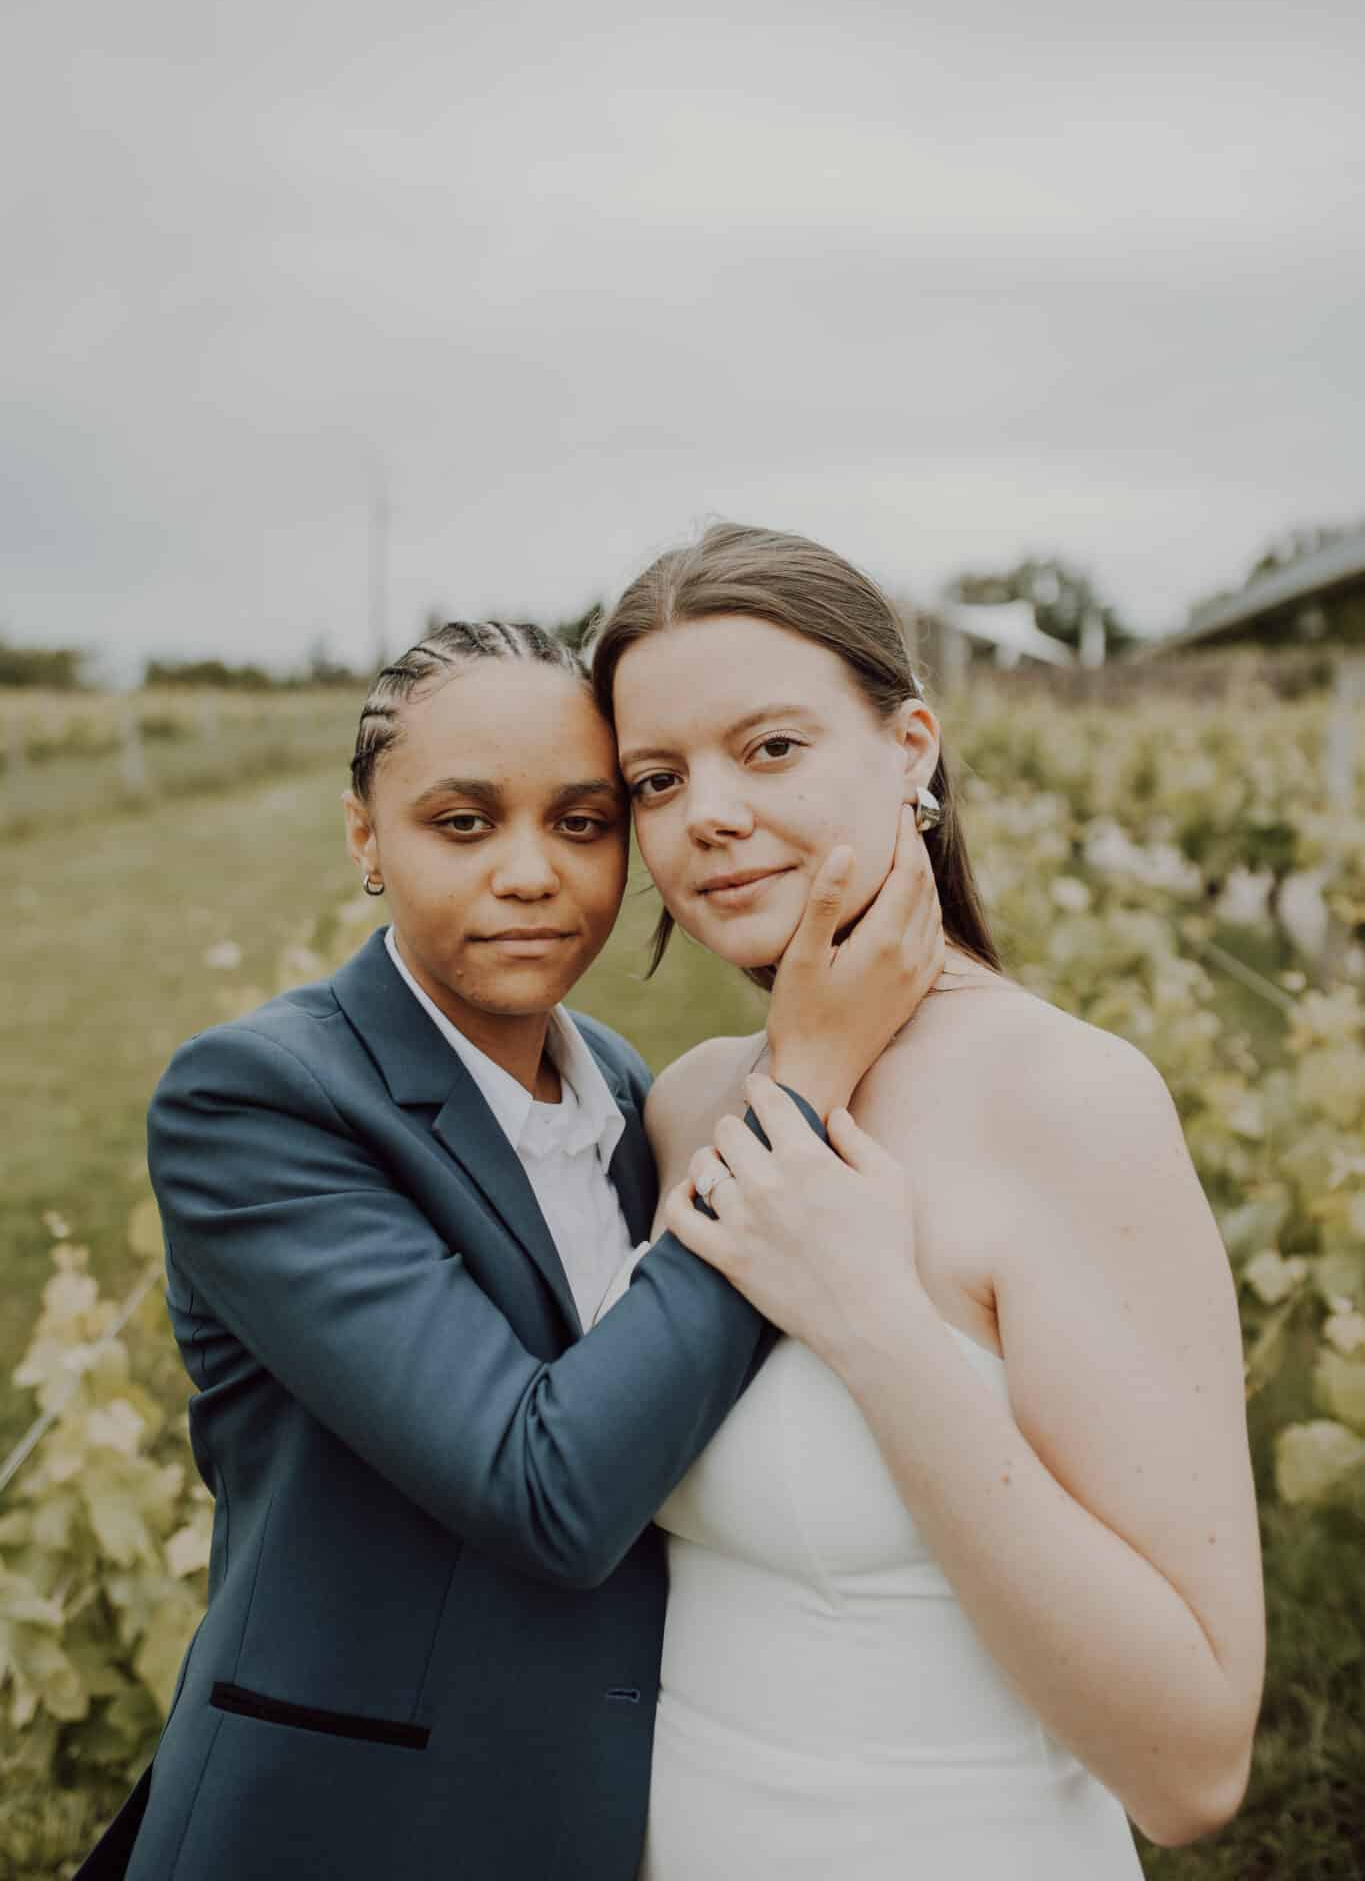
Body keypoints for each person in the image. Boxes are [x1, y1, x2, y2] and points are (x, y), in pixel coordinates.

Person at [74, 618, 943, 1881]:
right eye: (464, 821)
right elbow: (548, 1489)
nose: (532, 872)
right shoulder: (257, 1101)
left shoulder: (628, 1090)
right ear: (367, 837)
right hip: (344, 1831)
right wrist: (802, 1077)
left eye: (583, 821)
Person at [589, 522, 1265, 1879]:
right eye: (656, 779)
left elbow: (1191, 1766)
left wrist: (873, 1322)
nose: (705, 812)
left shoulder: (1070, 1102)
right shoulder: (683, 1104)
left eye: (769, 747)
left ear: (910, 752)